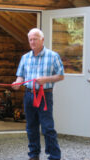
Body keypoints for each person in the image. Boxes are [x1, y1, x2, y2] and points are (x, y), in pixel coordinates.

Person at [12, 28, 64, 160]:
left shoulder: (53, 56)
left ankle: (54, 156)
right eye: (30, 39)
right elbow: (20, 77)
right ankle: (34, 155)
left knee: (47, 127)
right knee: (31, 127)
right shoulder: (25, 58)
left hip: (45, 95)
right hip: (28, 95)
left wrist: (46, 79)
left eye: (35, 38)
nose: (32, 41)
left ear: (42, 40)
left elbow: (61, 76)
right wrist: (17, 84)